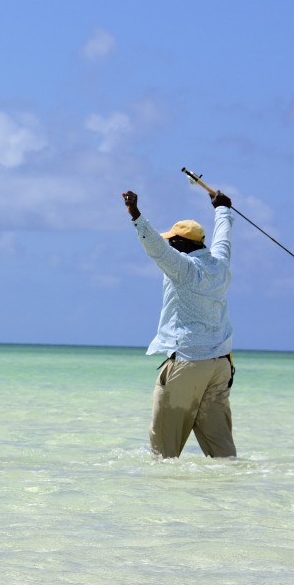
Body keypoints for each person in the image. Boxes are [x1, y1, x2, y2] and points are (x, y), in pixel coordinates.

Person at [121, 188, 238, 459]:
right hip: (220, 366)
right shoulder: (220, 265)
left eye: (174, 242)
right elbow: (224, 238)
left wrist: (135, 214)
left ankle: (162, 499)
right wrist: (222, 210)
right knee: (223, 456)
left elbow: (157, 249)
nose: (171, 246)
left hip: (188, 363)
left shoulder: (185, 268)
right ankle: (231, 497)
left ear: (184, 245)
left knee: (163, 455)